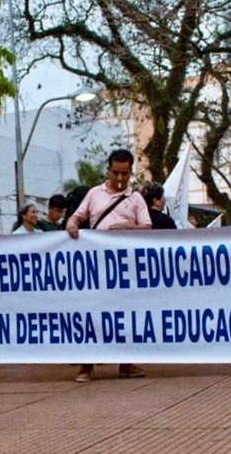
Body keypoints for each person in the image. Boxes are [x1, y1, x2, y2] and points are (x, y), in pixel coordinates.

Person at [66, 149, 151, 382]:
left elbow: (147, 227)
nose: (120, 178)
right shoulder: (94, 194)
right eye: (115, 173)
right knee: (92, 313)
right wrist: (72, 224)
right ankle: (86, 366)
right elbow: (78, 216)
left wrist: (127, 227)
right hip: (98, 267)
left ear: (131, 172)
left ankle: (126, 364)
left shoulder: (136, 198)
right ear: (108, 170)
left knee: (126, 314)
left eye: (125, 173)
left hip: (126, 268)